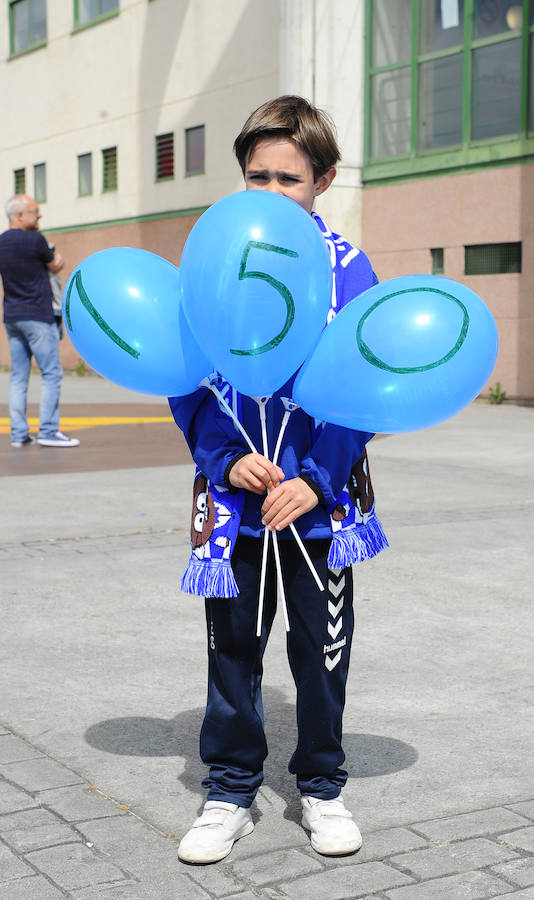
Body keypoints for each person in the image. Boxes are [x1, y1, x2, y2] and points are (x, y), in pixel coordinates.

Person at [170, 96, 388, 864]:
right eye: (254, 176)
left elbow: (367, 382)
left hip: (319, 509)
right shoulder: (215, 256)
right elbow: (185, 376)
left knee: (321, 653)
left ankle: (322, 785)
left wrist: (320, 478)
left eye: (286, 178)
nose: (268, 193)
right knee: (232, 651)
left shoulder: (346, 268)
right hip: (236, 506)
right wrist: (225, 457)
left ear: (323, 180)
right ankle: (229, 789)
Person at [0, 195, 79, 448]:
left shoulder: (1, 242)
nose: (39, 216)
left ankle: (18, 434)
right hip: (37, 315)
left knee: (18, 377)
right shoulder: (35, 240)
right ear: (19, 216)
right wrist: (59, 259)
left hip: (12, 317)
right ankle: (48, 430)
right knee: (52, 373)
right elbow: (54, 265)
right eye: (35, 212)